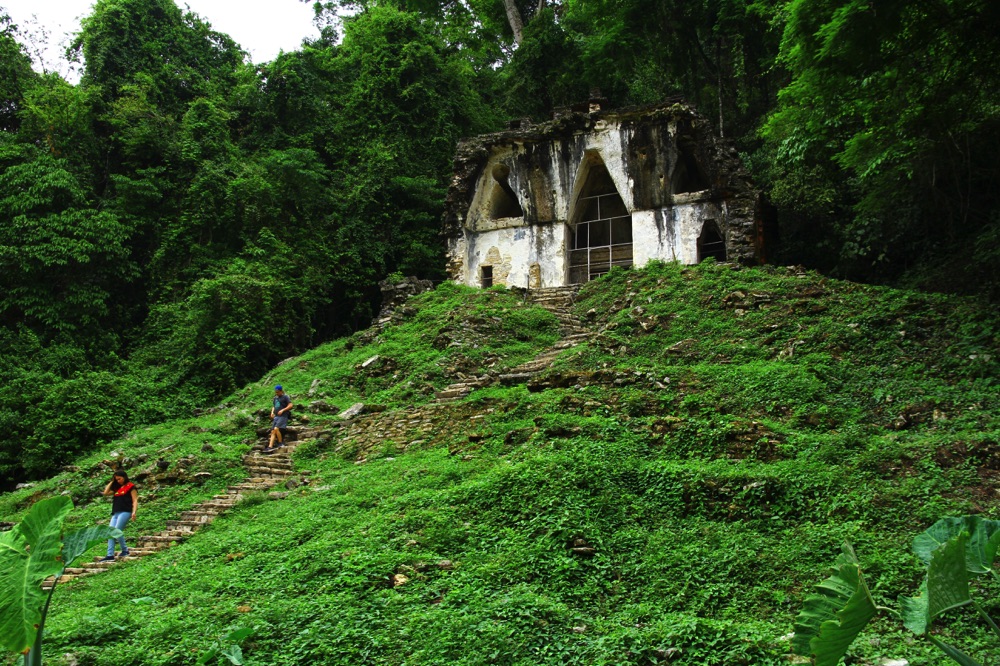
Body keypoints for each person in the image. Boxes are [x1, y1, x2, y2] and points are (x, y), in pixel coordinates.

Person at [100, 470, 137, 561]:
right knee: (110, 532)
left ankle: (125, 550)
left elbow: (135, 500)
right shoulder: (117, 488)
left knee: (117, 531)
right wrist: (112, 481)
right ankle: (110, 555)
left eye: (119, 479)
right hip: (116, 512)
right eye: (117, 479)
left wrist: (134, 512)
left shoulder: (131, 487)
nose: (118, 481)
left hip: (125, 511)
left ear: (124, 477)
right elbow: (105, 493)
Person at [264, 384, 293, 453]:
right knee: (273, 431)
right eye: (275, 392)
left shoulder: (285, 397)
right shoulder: (275, 398)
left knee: (277, 428)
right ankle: (270, 446)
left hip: (283, 416)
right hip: (276, 416)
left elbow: (291, 405)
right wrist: (272, 412)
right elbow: (274, 406)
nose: (276, 393)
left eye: (277, 392)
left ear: (281, 391)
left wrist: (283, 410)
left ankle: (280, 442)